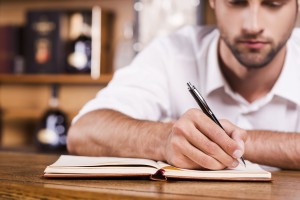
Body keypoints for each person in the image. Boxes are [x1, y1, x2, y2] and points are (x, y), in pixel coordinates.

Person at [67, 0, 300, 170]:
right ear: (213, 2)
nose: (253, 25)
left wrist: (219, 142)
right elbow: (83, 132)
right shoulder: (171, 52)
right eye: (236, 2)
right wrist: (163, 138)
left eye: (273, 3)